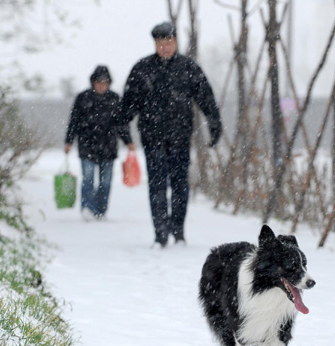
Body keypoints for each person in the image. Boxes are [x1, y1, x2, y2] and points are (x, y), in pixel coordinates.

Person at [122, 22, 222, 247]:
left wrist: (214, 124)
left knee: (179, 185)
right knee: (157, 185)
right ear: (155, 44)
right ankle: (160, 234)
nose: (164, 47)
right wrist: (123, 129)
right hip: (152, 137)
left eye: (168, 42)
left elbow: (206, 98)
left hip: (180, 137)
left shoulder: (188, 68)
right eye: (160, 43)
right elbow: (128, 104)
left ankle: (178, 232)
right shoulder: (142, 69)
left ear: (176, 42)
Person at [65, 65, 135, 220]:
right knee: (88, 180)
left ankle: (101, 211)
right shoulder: (83, 98)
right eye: (99, 82)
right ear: (93, 82)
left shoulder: (115, 99)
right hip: (87, 145)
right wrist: (69, 141)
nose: (102, 85)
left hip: (108, 147)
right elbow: (74, 121)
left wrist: (128, 141)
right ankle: (87, 209)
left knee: (105, 183)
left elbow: (121, 123)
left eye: (105, 82)